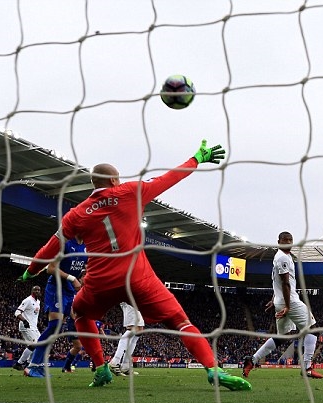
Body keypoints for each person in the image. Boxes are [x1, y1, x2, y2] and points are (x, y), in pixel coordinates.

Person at [18, 140, 251, 390]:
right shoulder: (130, 192)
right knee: (180, 321)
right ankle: (213, 369)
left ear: (93, 184)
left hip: (100, 282)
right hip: (138, 278)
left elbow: (50, 248)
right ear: (115, 181)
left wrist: (30, 270)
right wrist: (196, 158)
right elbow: (169, 178)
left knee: (80, 314)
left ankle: (101, 369)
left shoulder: (76, 214)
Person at [242, 231, 323, 379]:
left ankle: (252, 360)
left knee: (282, 337)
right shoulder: (282, 258)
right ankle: (307, 368)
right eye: (285, 240)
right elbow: (285, 283)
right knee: (313, 329)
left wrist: (275, 299)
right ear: (279, 242)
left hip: (282, 301)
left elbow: (277, 281)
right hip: (290, 301)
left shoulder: (281, 257)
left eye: (290, 240)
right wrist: (288, 306)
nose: (288, 242)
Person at [22, 237, 88, 377]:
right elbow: (51, 268)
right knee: (54, 326)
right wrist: (73, 278)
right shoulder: (66, 244)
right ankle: (32, 366)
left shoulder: (86, 247)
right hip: (56, 287)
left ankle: (37, 366)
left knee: (56, 329)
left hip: (69, 291)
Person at [109, 302, 144, 376]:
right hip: (129, 300)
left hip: (135, 301)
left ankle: (125, 366)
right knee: (132, 328)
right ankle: (114, 362)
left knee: (139, 331)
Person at [12, 286, 42, 370]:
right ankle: (19, 363)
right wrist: (24, 321)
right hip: (26, 325)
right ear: (32, 291)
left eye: (39, 290)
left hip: (34, 326)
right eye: (35, 290)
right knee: (34, 344)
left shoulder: (38, 302)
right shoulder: (28, 300)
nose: (37, 291)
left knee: (40, 344)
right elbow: (17, 312)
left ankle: (29, 364)